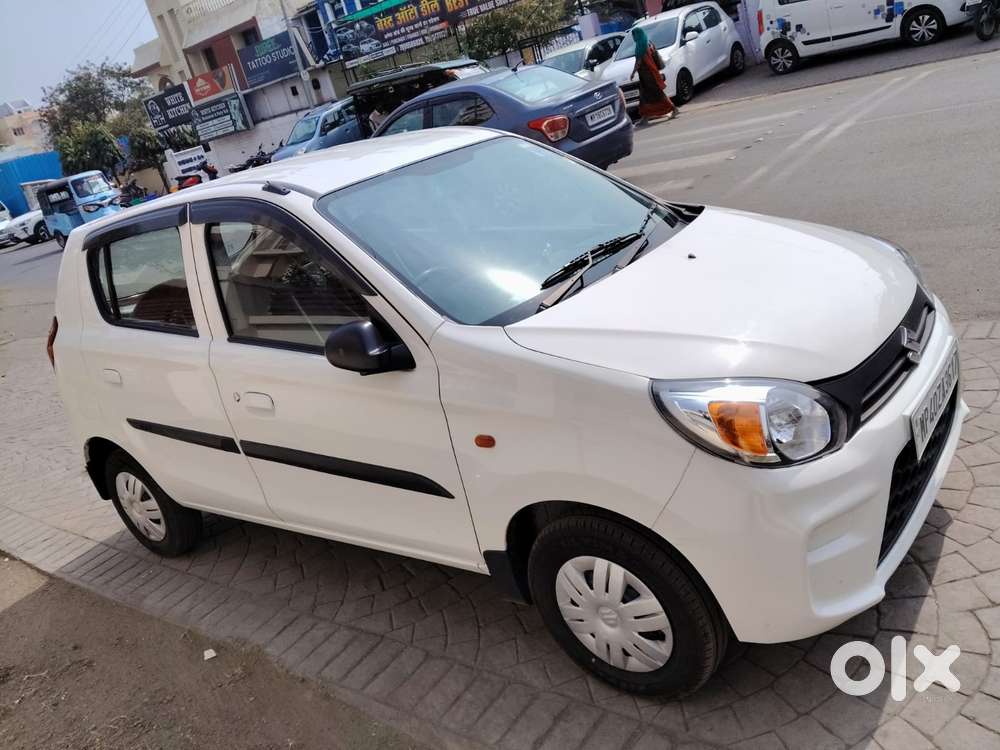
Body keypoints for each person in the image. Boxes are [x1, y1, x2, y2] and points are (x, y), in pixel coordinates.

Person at [629, 27, 678, 123]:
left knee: (658, 95)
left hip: (648, 76)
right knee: (644, 97)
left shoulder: (640, 45)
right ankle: (645, 116)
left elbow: (638, 62)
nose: (633, 38)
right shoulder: (647, 43)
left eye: (633, 35)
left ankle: (673, 109)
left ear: (637, 35)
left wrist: (633, 73)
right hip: (650, 74)